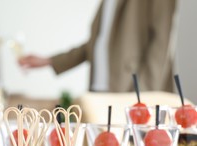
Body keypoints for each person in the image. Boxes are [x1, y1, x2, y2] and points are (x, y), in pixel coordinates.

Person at [18, 0, 178, 93]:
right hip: (100, 89)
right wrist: (49, 61)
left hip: (129, 90)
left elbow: (161, 45)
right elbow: (98, 44)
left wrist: (142, 96)